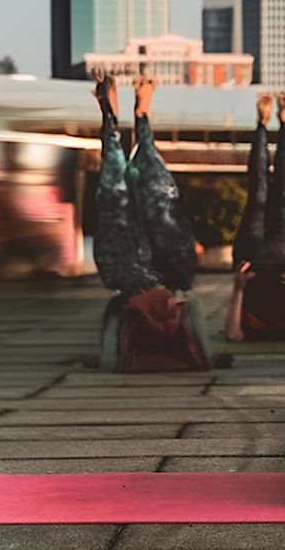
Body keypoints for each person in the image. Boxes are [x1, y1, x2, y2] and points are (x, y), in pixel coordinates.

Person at [92, 73, 207, 371]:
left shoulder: (120, 272)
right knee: (153, 183)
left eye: (166, 315)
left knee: (115, 179)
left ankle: (112, 116)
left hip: (129, 269)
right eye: (175, 314)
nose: (174, 307)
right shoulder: (179, 274)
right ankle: (140, 116)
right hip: (162, 263)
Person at [224, 91, 285, 342]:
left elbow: (233, 335)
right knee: (281, 188)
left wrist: (237, 290)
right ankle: (282, 121)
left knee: (262, 188)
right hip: (284, 256)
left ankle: (264, 123)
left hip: (252, 258)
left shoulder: (251, 327)